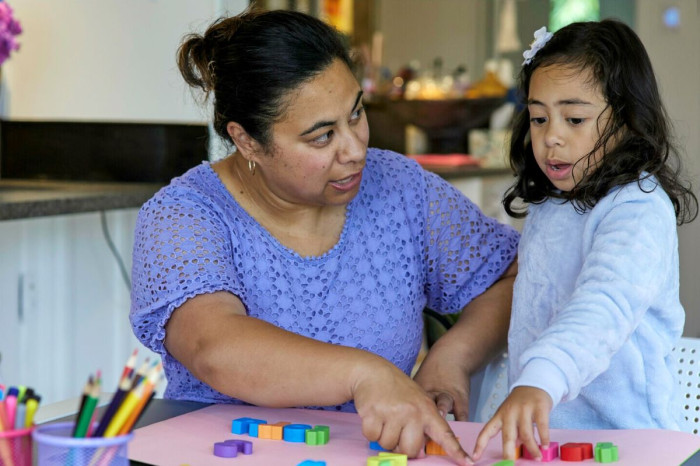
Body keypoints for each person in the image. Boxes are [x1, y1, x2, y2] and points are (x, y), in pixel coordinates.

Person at [129, 7, 519, 463]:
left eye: (356, 115)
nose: (355, 150)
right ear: (247, 141)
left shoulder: (399, 189)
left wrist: (452, 359)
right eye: (321, 137)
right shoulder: (184, 215)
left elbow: (507, 276)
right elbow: (214, 345)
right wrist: (364, 375)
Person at [472, 19, 698, 462]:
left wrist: (540, 378)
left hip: (627, 442)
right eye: (538, 117)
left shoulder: (638, 207)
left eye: (574, 118)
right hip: (549, 438)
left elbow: (604, 305)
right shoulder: (553, 201)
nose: (551, 136)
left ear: (628, 120)